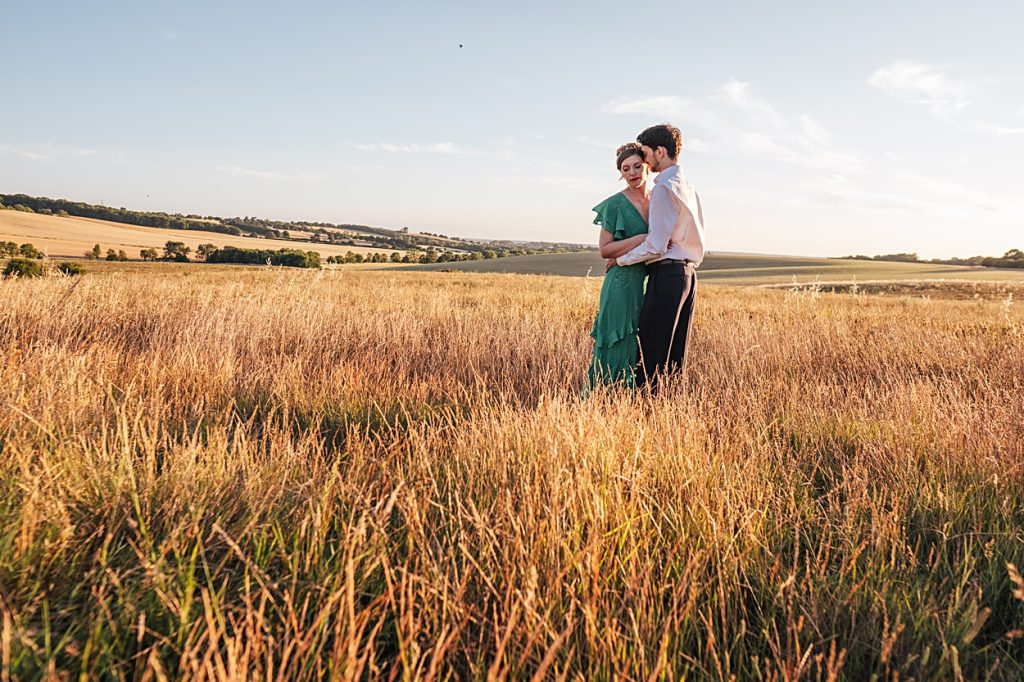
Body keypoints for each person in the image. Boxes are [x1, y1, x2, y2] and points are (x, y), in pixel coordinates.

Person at [611, 123, 705, 390]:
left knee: (651, 348)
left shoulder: (664, 188)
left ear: (660, 152)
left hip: (667, 274)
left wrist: (620, 259)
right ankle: (669, 412)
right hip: (688, 275)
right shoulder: (688, 185)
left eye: (645, 153)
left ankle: (645, 410)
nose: (644, 159)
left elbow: (655, 245)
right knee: (676, 355)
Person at [587, 143, 651, 389]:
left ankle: (628, 399)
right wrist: (642, 238)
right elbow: (605, 250)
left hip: (649, 283)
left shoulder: (658, 201)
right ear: (621, 173)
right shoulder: (614, 204)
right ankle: (604, 397)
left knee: (639, 345)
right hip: (621, 285)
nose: (633, 173)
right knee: (617, 342)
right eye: (626, 169)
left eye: (637, 166)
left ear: (647, 166)